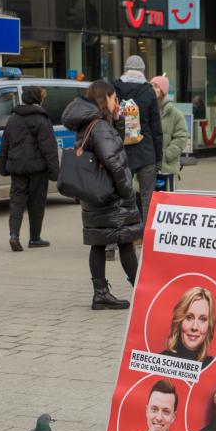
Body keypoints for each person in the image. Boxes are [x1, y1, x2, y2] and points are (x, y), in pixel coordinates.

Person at [63, 80, 141, 311]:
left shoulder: (91, 124)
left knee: (99, 242)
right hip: (111, 195)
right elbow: (113, 162)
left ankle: (101, 293)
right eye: (114, 98)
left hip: (95, 193)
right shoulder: (99, 127)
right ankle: (139, 289)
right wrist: (127, 189)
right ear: (104, 98)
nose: (116, 103)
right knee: (125, 240)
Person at [0, 85, 57, 251]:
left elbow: (5, 145)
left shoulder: (13, 119)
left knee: (17, 201)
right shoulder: (42, 119)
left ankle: (14, 235)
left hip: (17, 168)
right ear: (38, 99)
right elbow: (49, 148)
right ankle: (34, 238)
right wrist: (54, 171)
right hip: (38, 169)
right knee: (36, 204)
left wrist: (3, 167)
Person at [111, 55, 162, 223]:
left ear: (126, 69)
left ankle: (121, 239)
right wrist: (158, 158)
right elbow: (156, 128)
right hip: (146, 151)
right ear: (142, 71)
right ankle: (147, 242)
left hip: (120, 151)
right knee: (148, 198)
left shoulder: (114, 88)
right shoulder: (148, 91)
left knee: (120, 198)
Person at [159, 287, 216, 366]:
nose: (194, 327)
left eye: (202, 319)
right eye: (189, 317)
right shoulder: (160, 361)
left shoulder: (213, 366)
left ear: (209, 325)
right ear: (179, 320)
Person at [152, 75, 187, 193]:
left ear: (163, 91)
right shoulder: (145, 111)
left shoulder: (176, 114)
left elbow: (181, 137)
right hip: (148, 166)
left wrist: (167, 155)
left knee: (166, 202)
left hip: (167, 167)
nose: (152, 88)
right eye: (150, 85)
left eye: (156, 86)